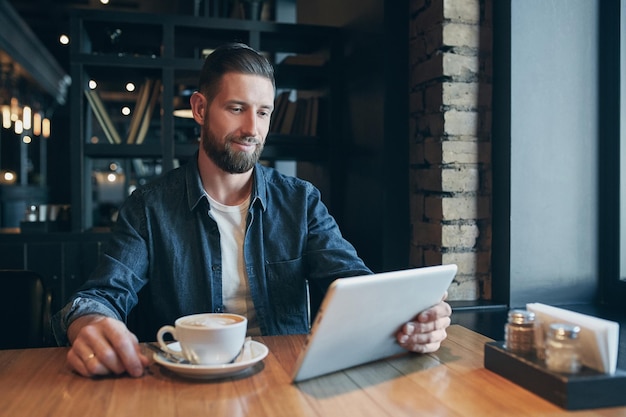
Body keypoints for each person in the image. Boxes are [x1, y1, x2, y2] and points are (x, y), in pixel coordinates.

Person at [52, 43, 452, 378]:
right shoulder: (149, 206)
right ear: (200, 109)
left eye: (263, 112)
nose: (252, 129)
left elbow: (354, 284)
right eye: (237, 108)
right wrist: (91, 324)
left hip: (284, 378)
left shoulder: (301, 200)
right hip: (187, 386)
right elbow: (100, 296)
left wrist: (410, 321)